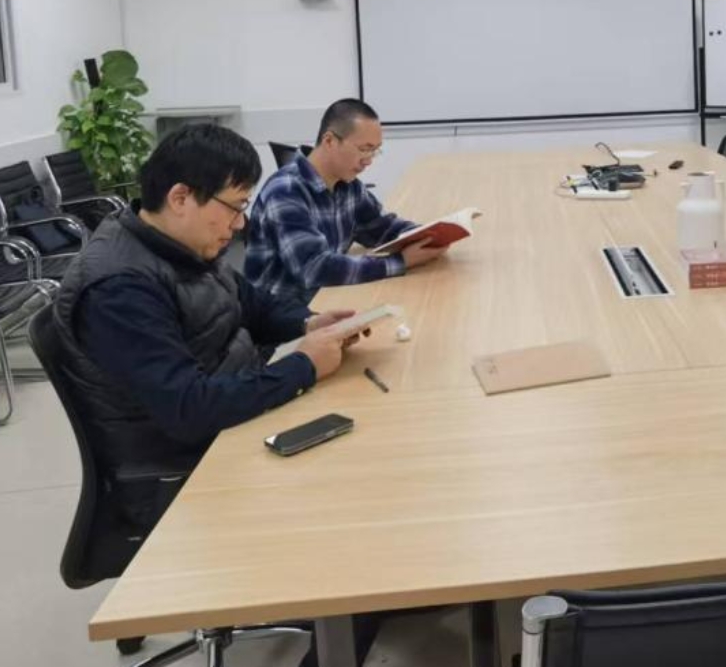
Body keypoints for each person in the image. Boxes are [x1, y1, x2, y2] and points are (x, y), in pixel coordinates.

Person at [47, 123, 375, 667]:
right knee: (366, 520)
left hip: (228, 423)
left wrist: (310, 321)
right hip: (189, 465)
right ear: (181, 197)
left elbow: (247, 302)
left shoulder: (175, 243)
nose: (241, 224)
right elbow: (189, 409)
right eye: (235, 206)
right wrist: (302, 366)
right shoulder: (120, 288)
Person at [246, 98, 445, 310]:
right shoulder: (285, 192)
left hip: (326, 298)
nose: (369, 160)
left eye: (375, 150)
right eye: (364, 149)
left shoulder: (348, 185)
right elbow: (314, 269)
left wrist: (429, 234)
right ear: (330, 141)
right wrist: (400, 262)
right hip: (284, 315)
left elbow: (380, 227)